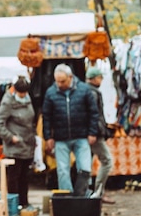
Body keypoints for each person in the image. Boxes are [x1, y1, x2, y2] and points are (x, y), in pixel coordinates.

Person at [42, 64, 99, 196]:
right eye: (57, 81)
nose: (59, 84)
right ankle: (66, 197)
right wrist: (48, 137)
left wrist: (92, 132)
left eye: (62, 81)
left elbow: (93, 113)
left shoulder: (84, 90)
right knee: (62, 170)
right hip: (61, 138)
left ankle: (84, 196)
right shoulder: (51, 93)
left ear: (70, 77)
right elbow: (46, 117)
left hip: (81, 136)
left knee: (84, 168)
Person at [0, 76, 36, 209]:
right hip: (14, 147)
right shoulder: (8, 103)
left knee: (25, 176)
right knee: (14, 177)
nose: (23, 95)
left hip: (28, 144)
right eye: (21, 93)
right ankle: (12, 205)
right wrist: (10, 137)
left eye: (25, 93)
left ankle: (24, 202)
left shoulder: (28, 100)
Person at [85, 66, 115, 204]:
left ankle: (88, 191)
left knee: (86, 162)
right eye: (100, 77)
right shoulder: (93, 93)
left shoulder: (86, 91)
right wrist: (97, 131)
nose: (101, 80)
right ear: (95, 78)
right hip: (94, 133)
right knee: (107, 161)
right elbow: (93, 115)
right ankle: (98, 192)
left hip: (90, 132)